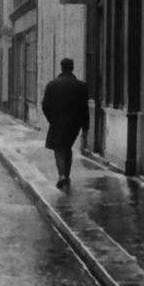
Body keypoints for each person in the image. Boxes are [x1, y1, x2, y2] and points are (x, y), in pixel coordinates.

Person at [41, 57, 89, 189]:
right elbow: (84, 109)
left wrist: (51, 119)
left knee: (58, 149)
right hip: (74, 124)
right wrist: (85, 128)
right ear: (72, 68)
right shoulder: (81, 86)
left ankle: (62, 175)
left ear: (61, 68)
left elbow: (45, 105)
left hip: (57, 122)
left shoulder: (52, 85)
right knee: (67, 147)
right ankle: (66, 175)